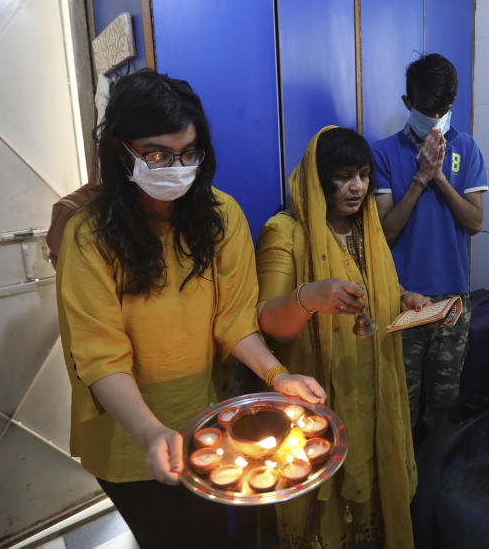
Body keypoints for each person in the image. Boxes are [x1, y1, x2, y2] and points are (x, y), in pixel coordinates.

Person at [55, 68, 326, 548]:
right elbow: (100, 358)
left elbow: (234, 322)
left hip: (204, 426)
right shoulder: (89, 237)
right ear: (121, 151)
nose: (176, 167)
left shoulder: (221, 217)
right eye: (157, 155)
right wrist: (149, 431)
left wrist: (277, 376)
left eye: (188, 153)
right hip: (124, 435)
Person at [255, 126, 427, 549]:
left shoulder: (368, 230)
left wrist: (403, 298)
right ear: (319, 178)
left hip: (372, 389)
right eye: (344, 176)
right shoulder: (286, 233)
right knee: (322, 502)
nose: (357, 187)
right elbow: (266, 322)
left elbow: (375, 287)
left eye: (364, 175)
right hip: (318, 392)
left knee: (371, 483)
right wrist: (309, 297)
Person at [371, 53, 488, 442]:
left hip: (452, 300)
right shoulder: (384, 153)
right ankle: (401, 489)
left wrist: (439, 177)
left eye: (443, 110)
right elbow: (386, 232)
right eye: (427, 110)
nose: (436, 118)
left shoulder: (467, 149)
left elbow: (474, 223)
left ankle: (433, 487)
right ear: (407, 103)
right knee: (400, 406)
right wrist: (420, 178)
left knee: (443, 408)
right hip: (405, 299)